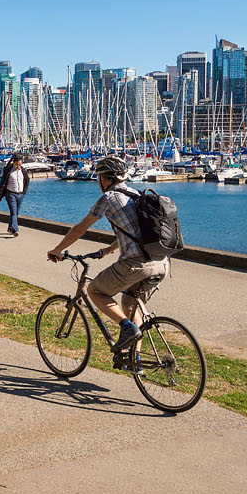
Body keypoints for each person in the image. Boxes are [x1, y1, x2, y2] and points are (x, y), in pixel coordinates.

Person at [46, 156, 169, 366]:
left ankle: (126, 327)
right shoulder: (136, 194)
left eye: (99, 178)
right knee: (130, 305)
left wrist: (58, 250)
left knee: (95, 291)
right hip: (162, 262)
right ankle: (134, 359)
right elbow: (136, 232)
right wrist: (110, 249)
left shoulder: (109, 197)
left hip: (136, 264)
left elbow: (81, 228)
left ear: (104, 179)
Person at [0, 154, 29, 237]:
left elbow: (27, 180)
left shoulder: (23, 170)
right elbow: (2, 183)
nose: (18, 166)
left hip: (20, 194)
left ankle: (10, 227)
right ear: (13, 163)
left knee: (16, 212)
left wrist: (24, 191)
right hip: (10, 194)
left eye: (20, 164)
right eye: (17, 164)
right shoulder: (8, 170)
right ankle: (15, 230)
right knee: (13, 212)